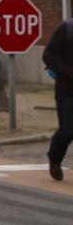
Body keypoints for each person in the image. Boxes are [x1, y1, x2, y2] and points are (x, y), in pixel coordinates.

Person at [43, 17, 73, 181]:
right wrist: (68, 73)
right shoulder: (66, 29)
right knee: (67, 131)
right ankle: (55, 159)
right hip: (67, 89)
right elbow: (48, 56)